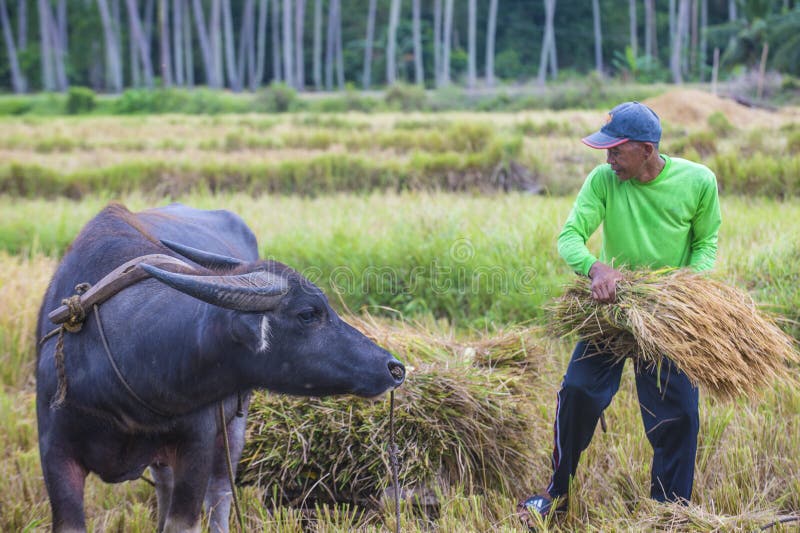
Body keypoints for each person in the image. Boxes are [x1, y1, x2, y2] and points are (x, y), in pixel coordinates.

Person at [517, 101, 722, 525]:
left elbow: (706, 244)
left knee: (679, 413)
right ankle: (555, 493)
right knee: (577, 392)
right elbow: (570, 236)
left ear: (647, 150)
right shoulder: (604, 181)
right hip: (612, 309)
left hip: (667, 314)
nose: (608, 159)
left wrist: (681, 288)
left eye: (616, 151)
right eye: (606, 151)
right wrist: (596, 267)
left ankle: (669, 510)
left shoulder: (698, 181)